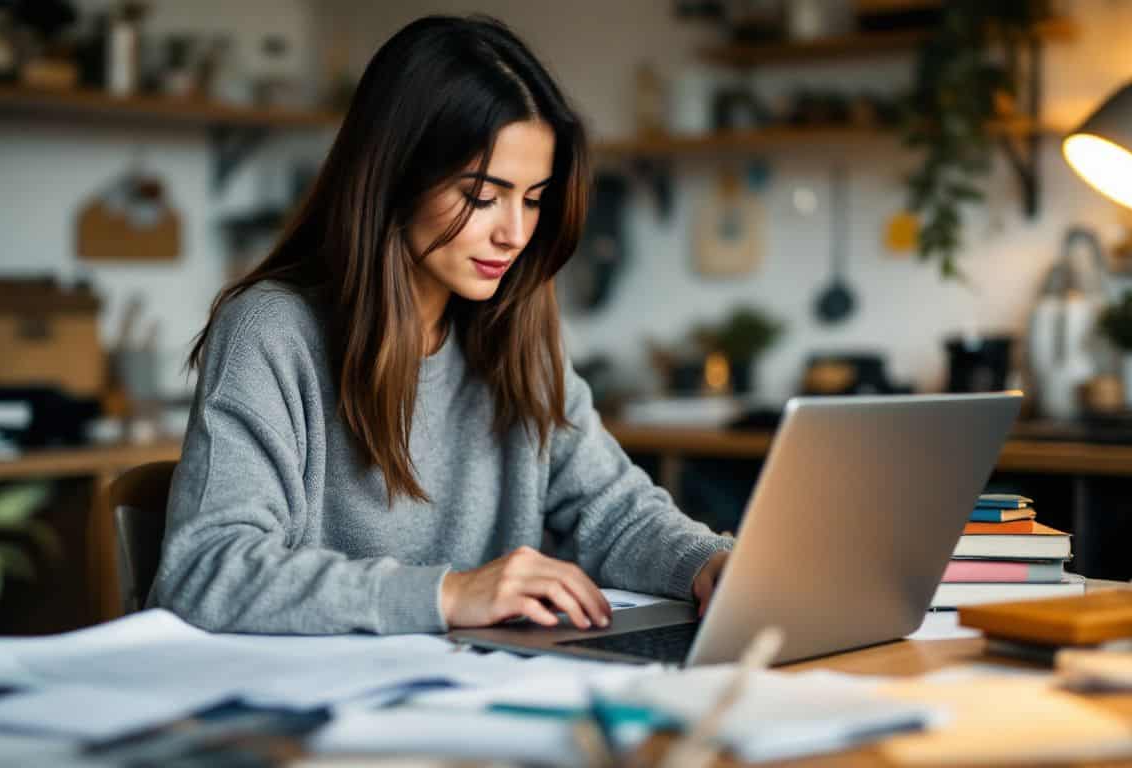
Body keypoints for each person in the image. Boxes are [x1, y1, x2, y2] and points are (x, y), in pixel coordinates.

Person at [148, 15, 733, 635]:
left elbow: (614, 511)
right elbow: (203, 571)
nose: (514, 233)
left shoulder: (517, 334)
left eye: (533, 198)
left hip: (478, 695)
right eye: (483, 195)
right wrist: (446, 595)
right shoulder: (271, 331)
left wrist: (709, 562)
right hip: (313, 712)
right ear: (397, 176)